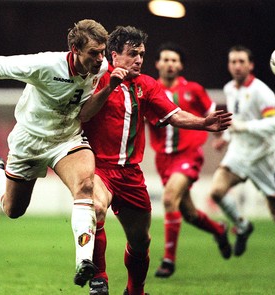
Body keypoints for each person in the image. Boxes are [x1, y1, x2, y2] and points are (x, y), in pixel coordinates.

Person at [0, 19, 129, 288]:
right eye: (93, 52)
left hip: (65, 139)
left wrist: (109, 87)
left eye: (102, 51)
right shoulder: (46, 65)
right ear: (74, 49)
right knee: (13, 210)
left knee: (85, 187)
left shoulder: (100, 67)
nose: (100, 58)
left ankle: (83, 261)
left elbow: (85, 113)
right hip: (29, 142)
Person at [81, 26, 232, 295]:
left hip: (131, 174)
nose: (139, 59)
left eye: (141, 54)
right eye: (132, 54)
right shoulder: (95, 79)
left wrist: (203, 123)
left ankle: (135, 290)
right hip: (99, 167)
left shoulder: (147, 85)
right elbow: (84, 115)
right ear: (114, 55)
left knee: (140, 240)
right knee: (96, 210)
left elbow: (174, 114)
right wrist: (111, 86)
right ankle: (100, 279)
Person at [209, 45, 275, 278]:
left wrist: (244, 127)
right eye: (233, 61)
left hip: (264, 157)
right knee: (216, 191)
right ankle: (243, 226)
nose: (237, 66)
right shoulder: (229, 89)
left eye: (241, 61)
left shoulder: (262, 91)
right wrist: (226, 138)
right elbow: (236, 119)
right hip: (240, 152)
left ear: (251, 64)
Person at [147, 42, 232, 278]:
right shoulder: (149, 89)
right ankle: (219, 229)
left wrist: (219, 135)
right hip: (163, 159)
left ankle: (168, 261)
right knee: (189, 213)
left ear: (181, 65)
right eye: (165, 59)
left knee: (168, 198)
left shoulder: (193, 89)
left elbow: (213, 114)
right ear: (157, 64)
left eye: (174, 60)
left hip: (189, 154)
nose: (170, 64)